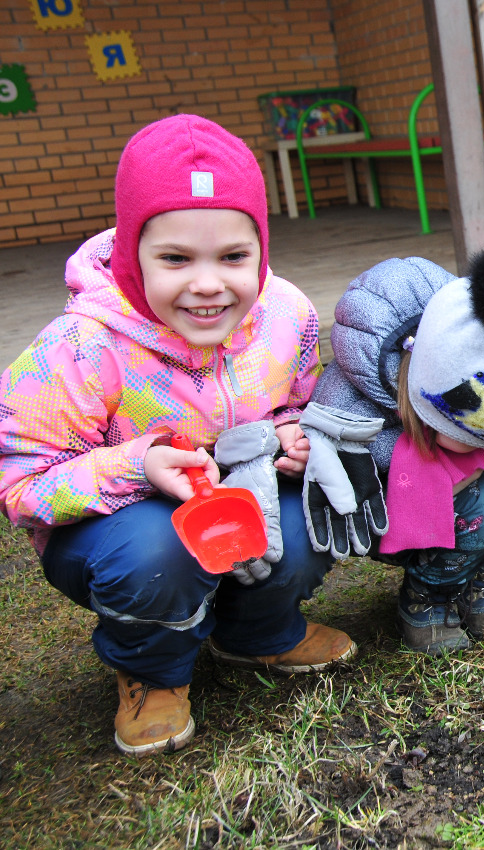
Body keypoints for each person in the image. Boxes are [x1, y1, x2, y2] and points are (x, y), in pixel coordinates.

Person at [0, 115, 354, 757]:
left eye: (234, 257)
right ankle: (151, 670)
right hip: (125, 524)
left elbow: (296, 405)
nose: (209, 284)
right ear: (133, 253)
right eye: (175, 259)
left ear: (262, 249)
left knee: (315, 513)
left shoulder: (288, 315)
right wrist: (139, 466)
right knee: (160, 552)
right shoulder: (79, 346)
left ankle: (258, 632)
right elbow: (21, 482)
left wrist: (289, 440)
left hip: (244, 501)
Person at [305, 239, 484, 654]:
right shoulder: (354, 385)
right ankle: (428, 596)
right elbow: (344, 449)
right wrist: (468, 462)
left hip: (463, 489)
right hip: (399, 508)